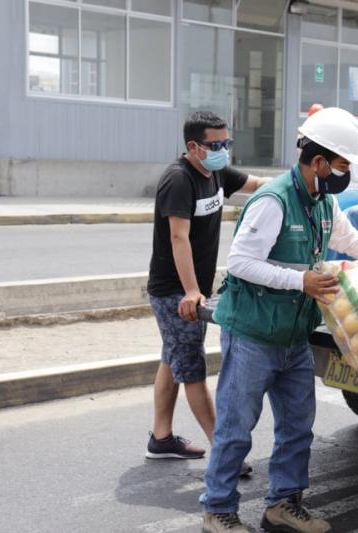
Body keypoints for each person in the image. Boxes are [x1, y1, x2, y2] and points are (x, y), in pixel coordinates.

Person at [199, 107, 358, 533]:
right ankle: (219, 509)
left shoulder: (325, 202)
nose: (345, 174)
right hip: (253, 333)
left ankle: (282, 504)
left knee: (298, 427)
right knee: (236, 427)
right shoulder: (273, 200)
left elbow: (350, 240)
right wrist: (299, 280)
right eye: (342, 165)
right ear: (319, 162)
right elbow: (241, 263)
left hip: (293, 335)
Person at [146, 111, 269, 464]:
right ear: (193, 147)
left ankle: (161, 437)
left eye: (226, 143)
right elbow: (177, 237)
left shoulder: (215, 173)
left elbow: (257, 184)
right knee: (193, 369)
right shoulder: (178, 180)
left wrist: (295, 182)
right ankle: (225, 452)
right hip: (175, 291)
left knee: (173, 359)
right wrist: (190, 291)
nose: (222, 150)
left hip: (193, 289)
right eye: (215, 145)